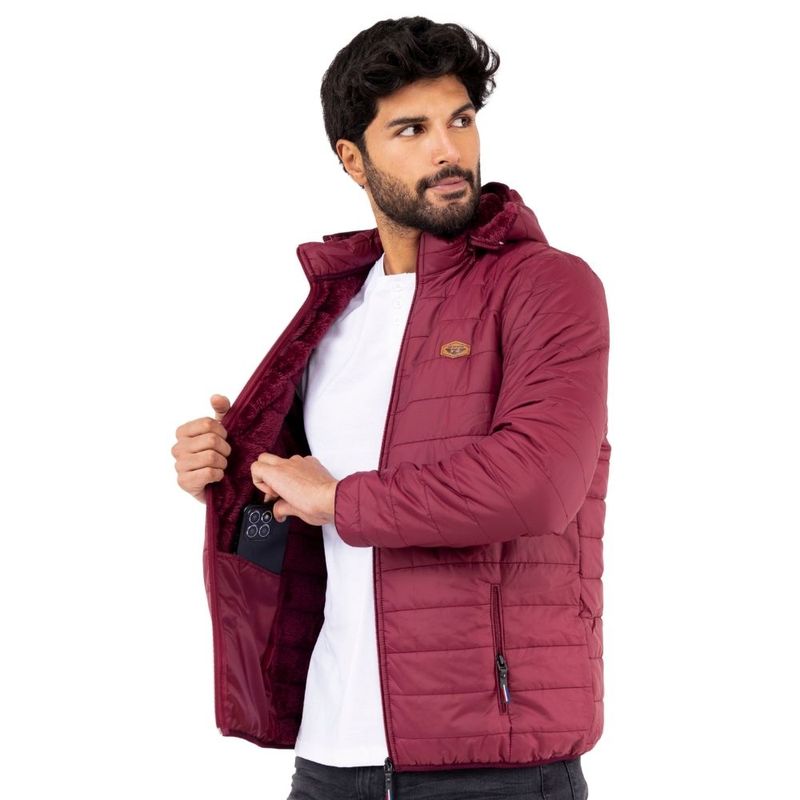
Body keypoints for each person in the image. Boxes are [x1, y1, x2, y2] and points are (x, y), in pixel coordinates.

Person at [171, 16, 610, 800]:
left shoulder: (546, 286)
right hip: (331, 756)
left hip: (493, 763)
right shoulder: (334, 311)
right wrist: (232, 480)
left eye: (460, 121)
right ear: (353, 159)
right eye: (412, 130)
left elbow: (540, 482)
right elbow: (291, 526)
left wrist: (338, 499)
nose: (448, 151)